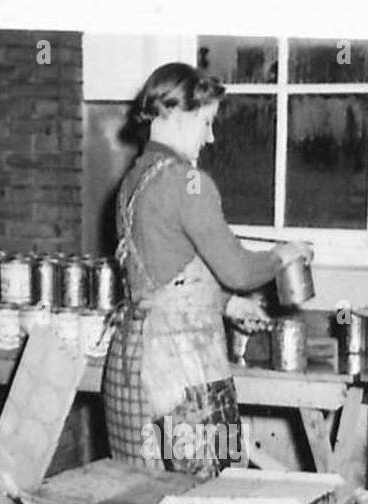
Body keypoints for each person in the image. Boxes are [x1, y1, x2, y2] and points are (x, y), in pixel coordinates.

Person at [104, 62, 312, 477]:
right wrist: (283, 255)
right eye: (206, 122)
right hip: (182, 376)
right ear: (176, 115)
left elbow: (161, 277)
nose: (211, 136)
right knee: (204, 502)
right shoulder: (188, 181)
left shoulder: (133, 179)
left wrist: (227, 304)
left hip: (133, 365)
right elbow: (238, 268)